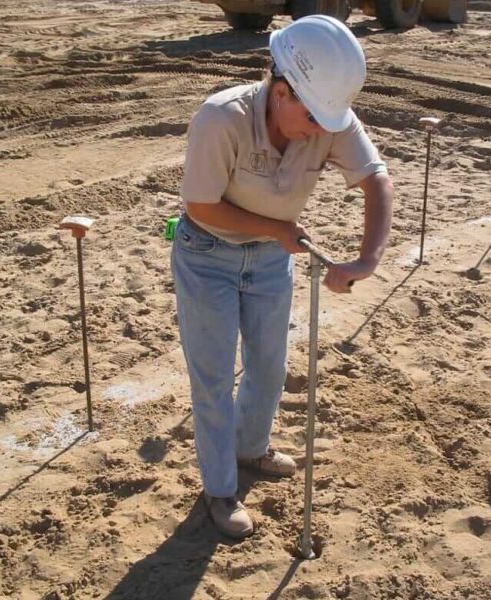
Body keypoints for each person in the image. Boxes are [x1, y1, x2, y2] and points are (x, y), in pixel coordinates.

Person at [171, 15, 393, 539]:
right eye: (314, 117)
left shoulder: (328, 118)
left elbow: (376, 181)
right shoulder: (220, 117)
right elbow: (201, 207)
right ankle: (220, 489)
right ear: (281, 88)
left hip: (271, 259)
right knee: (214, 378)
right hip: (206, 254)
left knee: (269, 368)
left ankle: (251, 450)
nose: (321, 131)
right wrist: (276, 228)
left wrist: (366, 261)